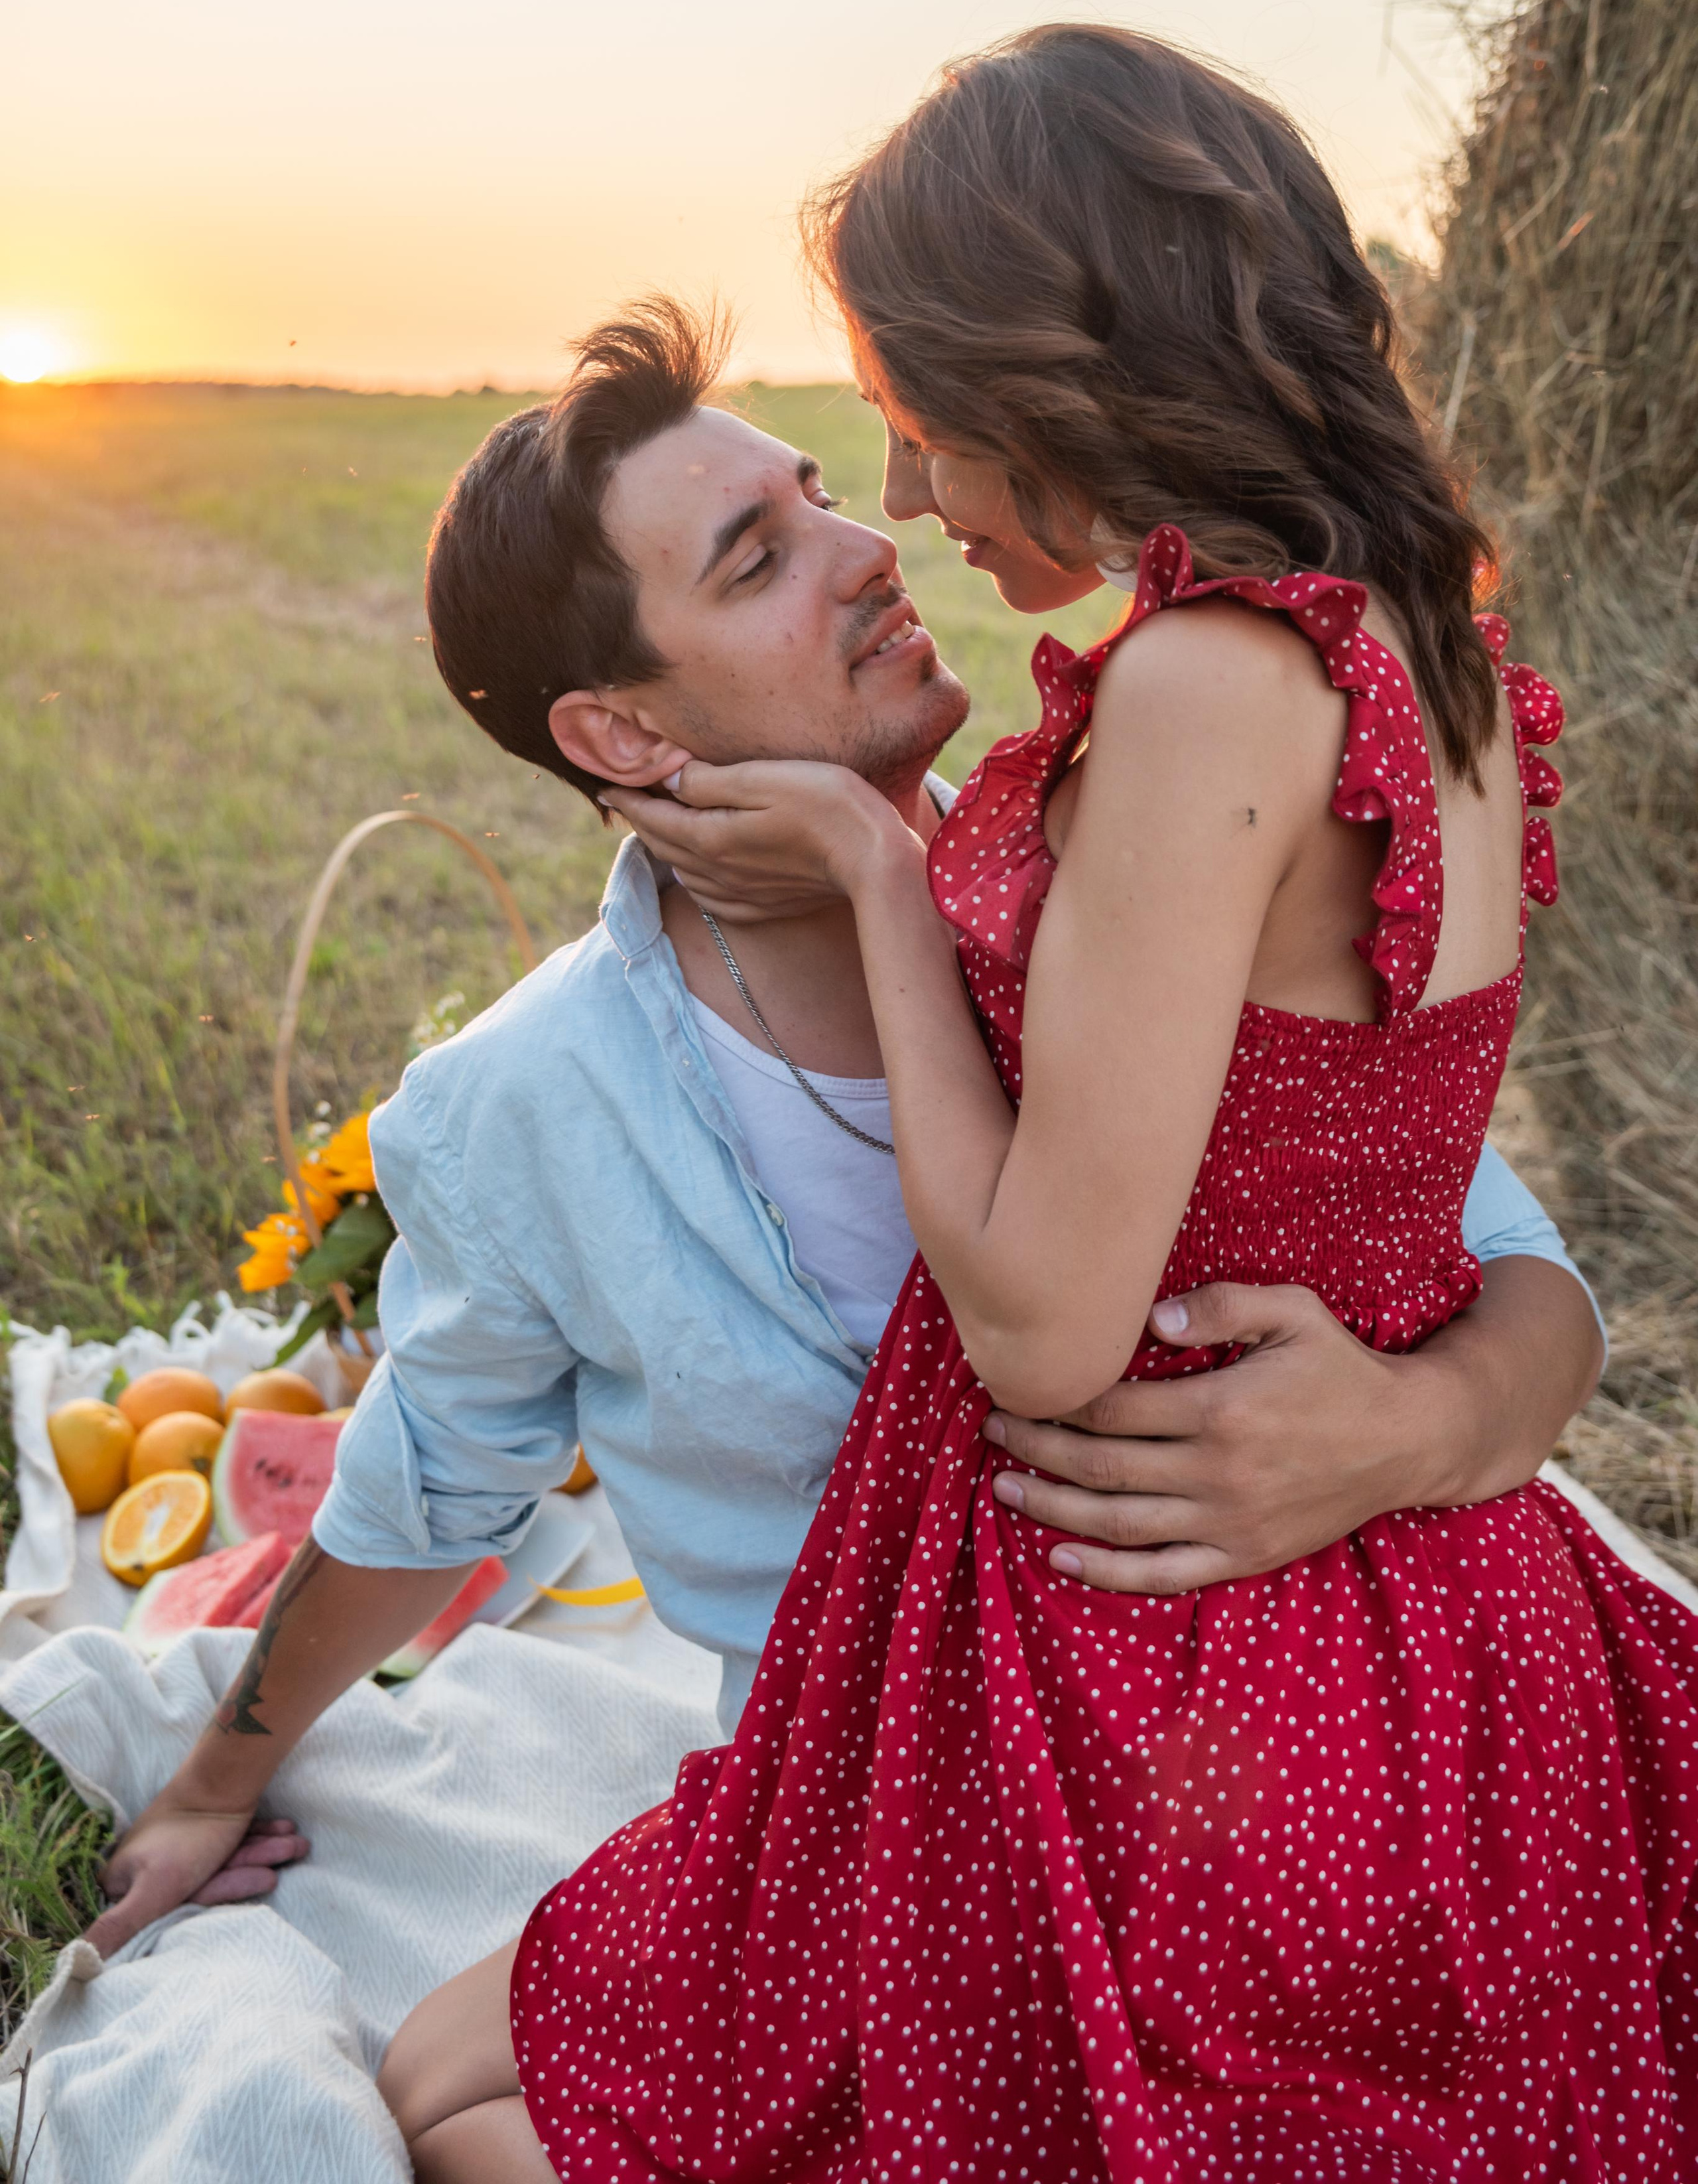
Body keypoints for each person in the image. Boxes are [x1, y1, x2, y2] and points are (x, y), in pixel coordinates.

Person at [398, 32, 1696, 2182]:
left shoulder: (1204, 690)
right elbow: (1362, 1140)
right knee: (491, 2054)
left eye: (911, 430)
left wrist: (884, 873)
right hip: (1392, 1625)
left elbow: (1039, 1330)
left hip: (1163, 1660)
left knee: (468, 2115)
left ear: (1060, 377)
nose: (906, 503)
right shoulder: (1412, 645)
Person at [92, 303, 1593, 2136]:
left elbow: (1491, 1234)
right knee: (445, 2092)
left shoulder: (1124, 878)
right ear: (620, 731)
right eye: (763, 558)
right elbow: (428, 1485)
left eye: (820, 497)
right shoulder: (536, 1106)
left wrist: (1434, 1416)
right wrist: (208, 1775)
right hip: (864, 1790)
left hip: (1240, 1735)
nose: (873, 548)